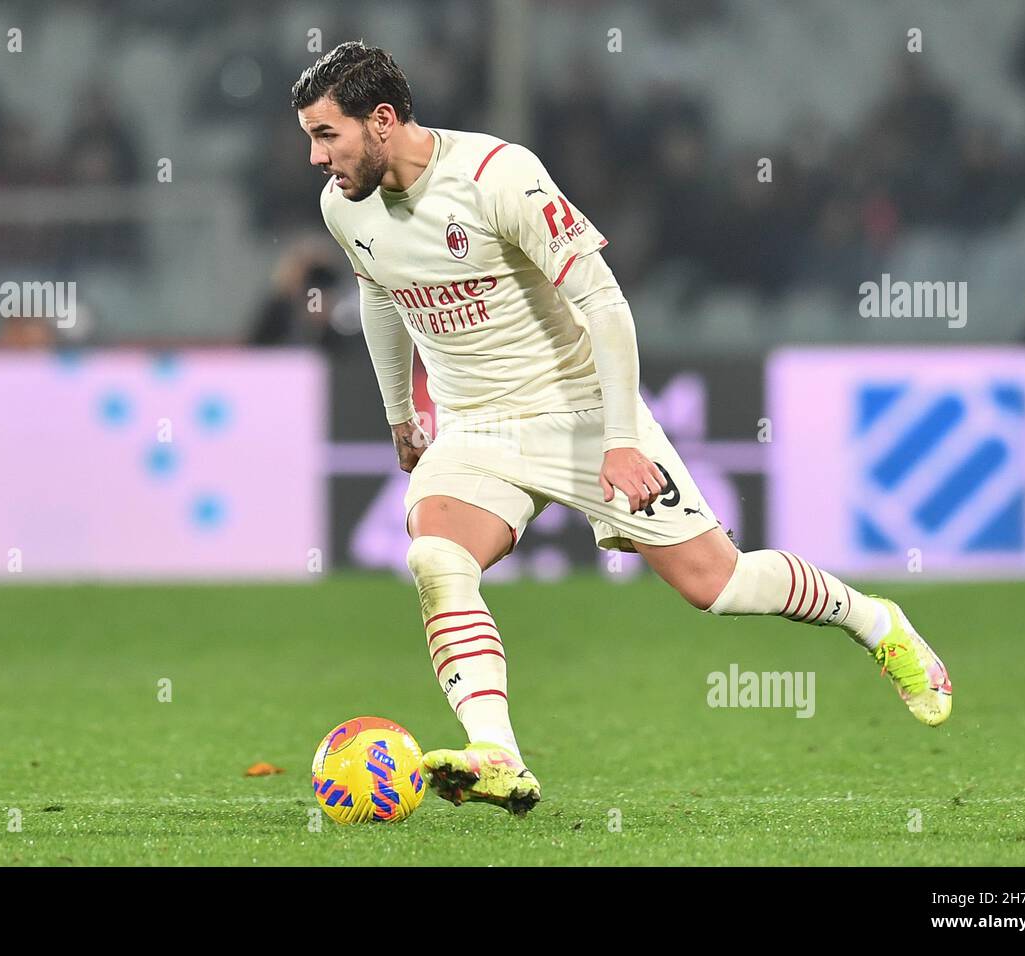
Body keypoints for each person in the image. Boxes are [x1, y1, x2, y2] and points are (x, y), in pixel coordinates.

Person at [292, 42, 952, 817]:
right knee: (436, 558)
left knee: (722, 585)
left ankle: (878, 621)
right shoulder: (345, 208)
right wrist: (402, 414)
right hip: (473, 428)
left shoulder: (499, 176)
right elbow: (380, 296)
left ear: (381, 120)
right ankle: (498, 754)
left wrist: (621, 437)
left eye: (326, 134)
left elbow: (605, 304)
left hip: (577, 414)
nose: (314, 156)